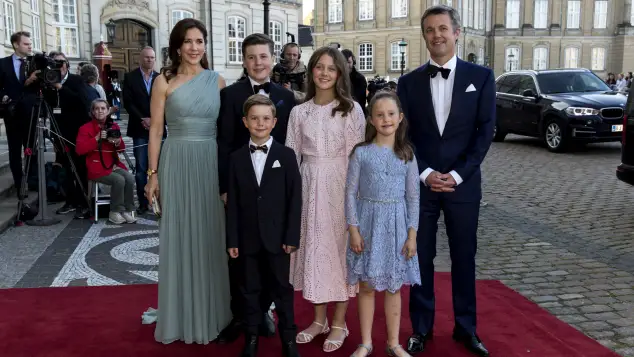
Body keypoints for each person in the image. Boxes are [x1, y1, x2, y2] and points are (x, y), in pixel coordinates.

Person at [396, 5, 494, 356]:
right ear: (424, 36)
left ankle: (466, 328)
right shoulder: (407, 83)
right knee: (420, 257)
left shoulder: (481, 78)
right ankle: (421, 328)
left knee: (464, 256)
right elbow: (401, 135)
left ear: (456, 32)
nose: (436, 35)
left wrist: (455, 175)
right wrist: (424, 173)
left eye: (442, 28)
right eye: (429, 30)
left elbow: (485, 133)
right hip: (420, 186)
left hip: (463, 186)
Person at [141, 18, 232, 344]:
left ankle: (213, 312)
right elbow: (155, 130)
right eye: (189, 42)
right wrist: (152, 175)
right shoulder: (164, 81)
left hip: (209, 162)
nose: (195, 48)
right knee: (179, 234)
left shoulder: (217, 81)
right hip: (176, 161)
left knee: (210, 234)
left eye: (200, 41)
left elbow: (226, 132)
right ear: (178, 46)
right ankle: (180, 313)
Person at [217, 33, 296, 344]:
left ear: (272, 57)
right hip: (241, 190)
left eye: (263, 56)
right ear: (244, 60)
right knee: (242, 260)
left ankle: (263, 313)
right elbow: (223, 143)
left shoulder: (286, 97)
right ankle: (242, 318)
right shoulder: (230, 96)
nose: (258, 63)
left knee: (272, 258)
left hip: (273, 190)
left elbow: (287, 146)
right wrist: (225, 187)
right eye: (251, 57)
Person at [286, 46, 366, 353]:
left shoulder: (351, 110)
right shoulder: (298, 112)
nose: (324, 73)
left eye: (331, 68)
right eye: (319, 67)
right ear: (311, 71)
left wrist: (355, 201)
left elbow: (357, 158)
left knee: (338, 252)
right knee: (312, 251)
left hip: (340, 185)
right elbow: (291, 156)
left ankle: (339, 323)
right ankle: (319, 320)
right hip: (307, 186)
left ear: (340, 74)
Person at [226, 94, 302, 357]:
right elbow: (233, 203)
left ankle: (289, 341)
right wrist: (232, 240)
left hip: (278, 238)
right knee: (249, 290)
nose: (260, 123)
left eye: (266, 119)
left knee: (282, 291)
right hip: (247, 239)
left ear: (275, 122)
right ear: (245, 122)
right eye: (254, 118)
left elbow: (295, 199)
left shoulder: (287, 155)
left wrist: (292, 235)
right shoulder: (236, 159)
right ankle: (252, 339)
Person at [345, 91, 420, 357]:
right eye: (380, 114)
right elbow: (350, 193)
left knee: (393, 286)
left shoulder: (408, 155)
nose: (386, 119)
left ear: (400, 118)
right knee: (366, 285)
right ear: (371, 120)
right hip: (367, 225)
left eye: (391, 114)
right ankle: (365, 342)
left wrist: (412, 235)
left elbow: (413, 198)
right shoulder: (361, 153)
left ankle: (393, 343)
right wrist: (353, 230)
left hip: (397, 228)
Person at [42, 51, 93, 219]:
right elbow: (47, 106)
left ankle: (84, 201)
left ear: (67, 64)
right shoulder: (48, 81)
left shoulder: (76, 80)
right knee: (64, 168)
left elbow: (82, 102)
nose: (59, 66)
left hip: (77, 132)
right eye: (55, 63)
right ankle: (70, 200)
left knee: (80, 167)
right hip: (59, 132)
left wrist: (61, 88)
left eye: (61, 62)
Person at [75, 99, 136, 224]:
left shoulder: (114, 126)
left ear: (108, 111)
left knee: (129, 178)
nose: (100, 111)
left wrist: (118, 141)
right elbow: (79, 150)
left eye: (103, 108)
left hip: (113, 164)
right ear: (92, 112)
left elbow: (121, 149)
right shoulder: (84, 128)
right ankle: (115, 211)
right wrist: (96, 138)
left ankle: (127, 210)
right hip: (96, 166)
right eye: (96, 108)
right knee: (119, 180)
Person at [123, 47, 163, 214]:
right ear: (140, 59)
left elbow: (166, 102)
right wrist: (143, 119)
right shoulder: (130, 77)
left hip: (158, 127)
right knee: (141, 168)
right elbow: (128, 102)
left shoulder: (160, 78)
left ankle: (160, 201)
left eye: (152, 57)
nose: (149, 60)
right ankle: (143, 202)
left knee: (160, 167)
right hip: (139, 128)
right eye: (146, 57)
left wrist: (155, 120)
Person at [341, 49, 368, 115]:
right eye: (344, 62)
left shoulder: (359, 78)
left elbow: (358, 99)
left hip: (356, 113)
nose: (346, 65)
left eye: (349, 62)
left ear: (353, 62)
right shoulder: (337, 77)